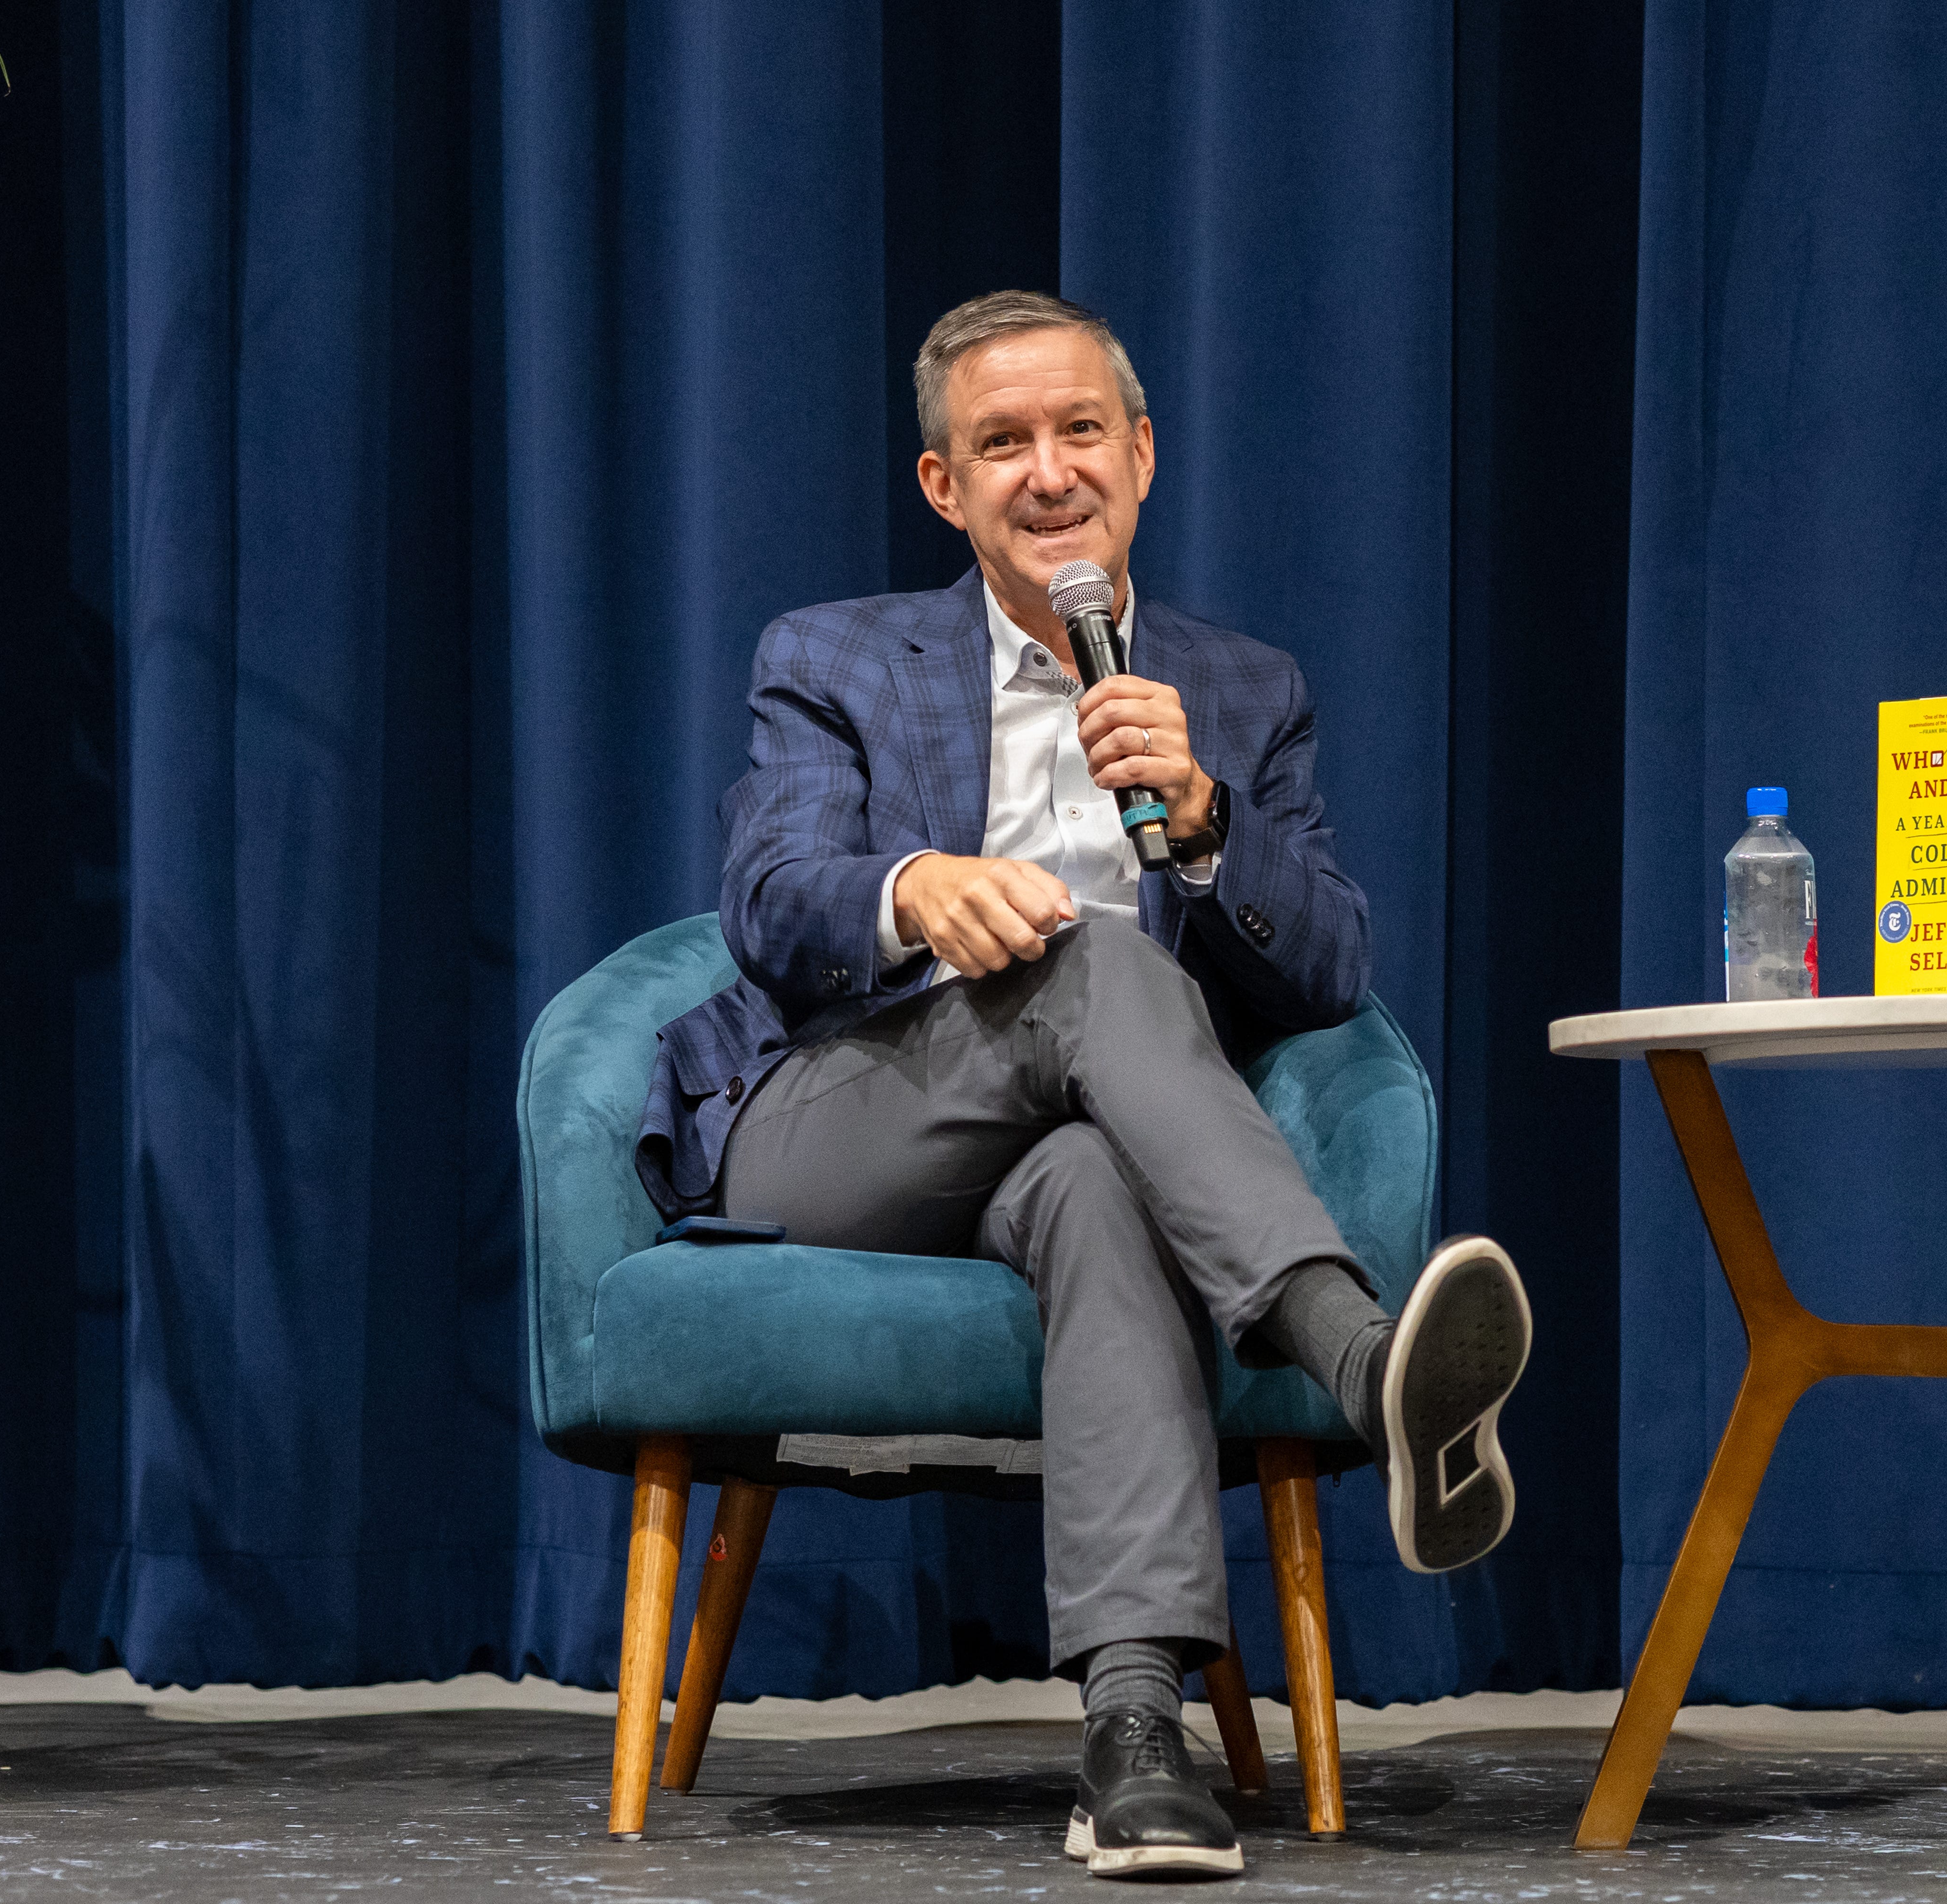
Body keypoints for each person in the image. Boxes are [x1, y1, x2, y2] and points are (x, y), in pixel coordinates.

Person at [639, 290, 1532, 1881]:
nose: (1049, 473)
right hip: (849, 1123)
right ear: (946, 486)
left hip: (1098, 1146)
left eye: (1078, 433)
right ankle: (1357, 1355)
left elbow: (1333, 967)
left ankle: (1134, 1735)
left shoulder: (1241, 690)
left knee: (1103, 1184)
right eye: (1003, 444)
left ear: (1141, 455)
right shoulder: (835, 655)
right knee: (1108, 966)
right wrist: (912, 888)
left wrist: (1205, 823)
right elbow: (767, 898)